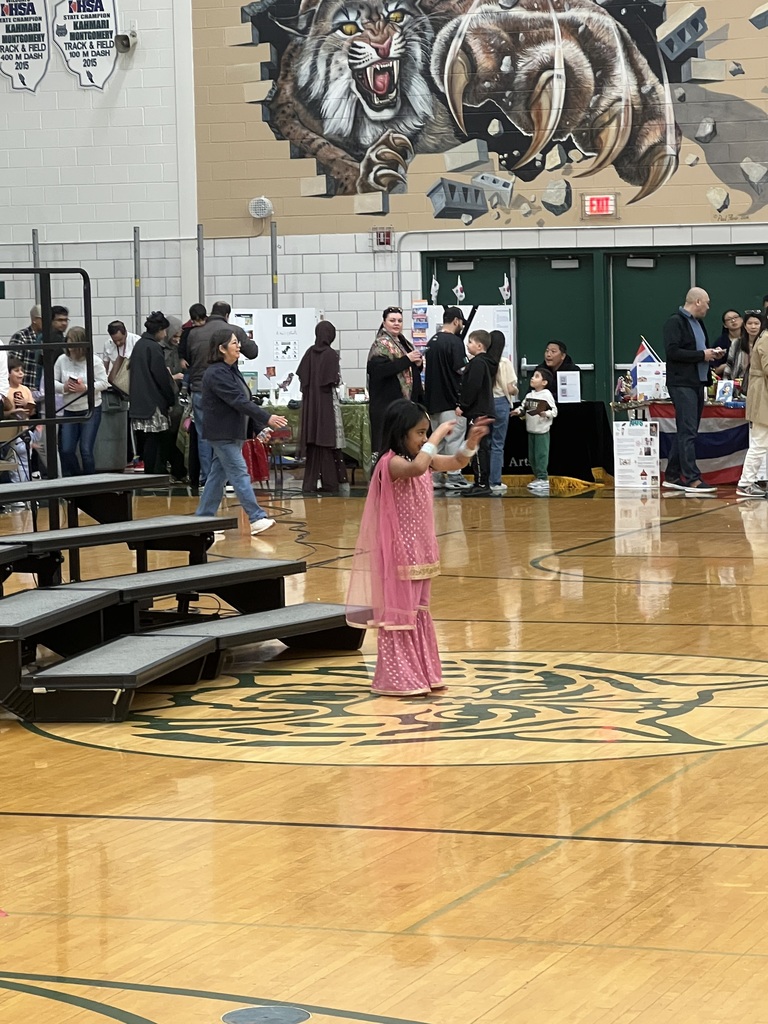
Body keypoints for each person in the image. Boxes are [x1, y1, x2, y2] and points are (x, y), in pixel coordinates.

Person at [346, 399, 491, 696]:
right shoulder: (392, 463)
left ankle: (424, 672)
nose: (424, 439)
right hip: (398, 555)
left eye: (427, 433)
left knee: (418, 611)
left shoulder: (419, 458)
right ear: (401, 433)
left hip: (420, 553)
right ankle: (398, 678)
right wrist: (437, 438)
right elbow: (418, 467)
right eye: (420, 433)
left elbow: (455, 463)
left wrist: (470, 443)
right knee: (400, 614)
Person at [195, 329, 287, 535]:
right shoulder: (216, 373)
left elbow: (245, 401)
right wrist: (267, 418)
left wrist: (259, 427)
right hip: (222, 434)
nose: (239, 346)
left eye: (238, 343)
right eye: (234, 343)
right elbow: (238, 401)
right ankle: (256, 517)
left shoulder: (231, 369)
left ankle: (203, 519)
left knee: (217, 477)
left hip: (232, 433)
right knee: (239, 473)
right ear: (221, 348)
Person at [187, 301, 257, 486]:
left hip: (199, 389)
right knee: (229, 435)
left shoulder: (194, 333)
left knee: (204, 435)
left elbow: (187, 359)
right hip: (226, 389)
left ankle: (205, 478)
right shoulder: (234, 331)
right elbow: (253, 352)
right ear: (227, 315)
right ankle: (229, 481)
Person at [662, 287, 724, 494]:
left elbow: (698, 351)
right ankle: (692, 479)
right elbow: (673, 351)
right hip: (681, 383)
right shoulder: (675, 322)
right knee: (688, 431)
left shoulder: (698, 323)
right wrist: (701, 355)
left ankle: (671, 475)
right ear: (697, 301)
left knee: (687, 430)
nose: (708, 307)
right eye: (706, 302)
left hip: (697, 382)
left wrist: (711, 354)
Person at [296, 320, 348, 493]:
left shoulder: (309, 353)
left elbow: (302, 377)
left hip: (310, 405)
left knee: (313, 444)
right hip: (325, 405)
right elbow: (333, 381)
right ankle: (330, 483)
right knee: (325, 443)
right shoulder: (331, 354)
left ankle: (310, 483)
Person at [423, 306, 471, 491]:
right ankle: (454, 476)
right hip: (451, 401)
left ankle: (435, 477)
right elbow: (461, 370)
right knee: (454, 439)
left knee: (438, 439)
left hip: (432, 402)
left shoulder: (432, 342)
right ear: (457, 321)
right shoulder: (455, 342)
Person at [366, 305, 424, 458]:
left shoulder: (403, 342)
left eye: (399, 320)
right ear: (384, 323)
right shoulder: (381, 344)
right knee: (387, 446)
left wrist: (418, 364)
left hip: (403, 405)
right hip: (387, 405)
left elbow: (409, 368)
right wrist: (408, 359)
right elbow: (379, 371)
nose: (396, 323)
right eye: (392, 320)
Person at [53, 326, 109, 476]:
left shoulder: (94, 361)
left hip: (90, 409)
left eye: (73, 346)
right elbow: (51, 382)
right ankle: (77, 479)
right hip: (69, 409)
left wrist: (84, 388)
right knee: (66, 449)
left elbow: (104, 383)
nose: (70, 349)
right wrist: (64, 387)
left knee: (86, 450)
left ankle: (90, 484)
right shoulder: (62, 360)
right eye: (68, 345)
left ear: (81, 346)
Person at [129, 311, 177, 475]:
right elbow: (161, 377)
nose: (165, 335)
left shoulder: (139, 345)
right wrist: (170, 398)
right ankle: (156, 473)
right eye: (164, 331)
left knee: (147, 439)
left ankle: (152, 473)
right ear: (160, 329)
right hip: (153, 402)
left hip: (139, 402)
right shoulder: (154, 347)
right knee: (157, 439)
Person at [457, 328, 495, 495]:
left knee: (478, 447)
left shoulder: (478, 363)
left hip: (478, 411)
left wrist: (463, 405)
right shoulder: (484, 362)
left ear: (479, 346)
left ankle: (481, 483)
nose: (468, 344)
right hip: (482, 409)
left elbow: (473, 386)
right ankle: (480, 481)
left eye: (471, 342)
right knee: (480, 447)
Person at [513, 367, 557, 494]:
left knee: (541, 455)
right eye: (533, 376)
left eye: (537, 376)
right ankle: (537, 477)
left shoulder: (546, 395)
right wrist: (518, 411)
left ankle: (543, 478)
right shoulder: (529, 395)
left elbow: (554, 411)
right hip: (531, 430)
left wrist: (546, 413)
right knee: (532, 457)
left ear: (544, 382)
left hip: (542, 431)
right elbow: (523, 408)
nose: (532, 378)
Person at [737, 317, 768, 498]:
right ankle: (745, 483)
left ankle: (746, 483)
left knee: (760, 442)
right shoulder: (767, 339)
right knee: (759, 442)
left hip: (762, 394)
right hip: (763, 396)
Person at [158, 315, 188, 481]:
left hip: (179, 399)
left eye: (179, 336)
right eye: (174, 336)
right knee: (169, 436)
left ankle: (179, 470)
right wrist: (174, 377)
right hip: (168, 399)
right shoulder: (160, 350)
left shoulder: (178, 350)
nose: (177, 339)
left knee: (179, 434)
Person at [489, 333, 518, 494]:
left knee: (484, 444)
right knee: (497, 444)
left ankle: (483, 479)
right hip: (501, 403)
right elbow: (510, 388)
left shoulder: (483, 361)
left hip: (485, 404)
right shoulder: (504, 362)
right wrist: (516, 389)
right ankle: (495, 481)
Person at [2, 357, 36, 483]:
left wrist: (26, 403)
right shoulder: (5, 390)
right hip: (10, 434)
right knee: (14, 466)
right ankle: (18, 497)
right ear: (8, 373)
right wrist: (12, 412)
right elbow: (3, 414)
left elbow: (32, 411)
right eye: (16, 370)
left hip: (25, 431)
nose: (21, 373)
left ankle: (27, 494)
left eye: (22, 370)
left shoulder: (25, 389)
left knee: (26, 464)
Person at [721, 311, 765, 396]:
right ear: (744, 326)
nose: (753, 327)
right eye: (750, 323)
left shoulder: (764, 344)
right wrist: (726, 392)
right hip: (737, 390)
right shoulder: (736, 343)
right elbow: (728, 367)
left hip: (760, 390)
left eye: (756, 323)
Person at [8, 304, 42, 387]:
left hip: (44, 388)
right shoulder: (21, 336)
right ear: (34, 320)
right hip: (27, 386)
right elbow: (13, 364)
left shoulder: (48, 337)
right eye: (43, 319)